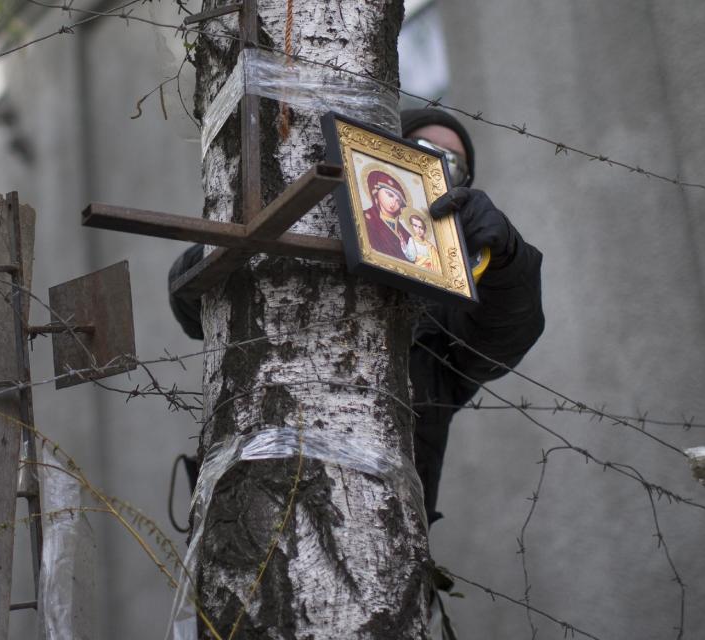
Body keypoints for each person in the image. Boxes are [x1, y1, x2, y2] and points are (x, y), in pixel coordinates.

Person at [168, 108, 545, 528]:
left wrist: (511, 260)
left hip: (384, 541)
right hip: (250, 518)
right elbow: (189, 298)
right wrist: (281, 220)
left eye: (453, 165)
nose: (439, 170)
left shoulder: (444, 323)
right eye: (423, 151)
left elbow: (504, 337)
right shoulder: (306, 237)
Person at [363, 169, 412, 261]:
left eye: (398, 201)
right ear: (376, 191)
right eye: (390, 195)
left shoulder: (405, 234)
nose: (394, 202)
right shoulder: (364, 218)